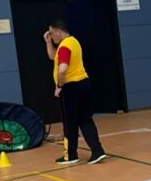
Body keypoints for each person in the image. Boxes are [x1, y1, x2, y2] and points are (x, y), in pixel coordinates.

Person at [43, 20, 107, 165]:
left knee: (69, 122)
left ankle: (70, 155)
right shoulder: (73, 42)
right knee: (85, 119)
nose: (51, 37)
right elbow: (53, 57)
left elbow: (63, 68)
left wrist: (59, 85)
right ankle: (97, 151)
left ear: (58, 31)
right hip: (84, 84)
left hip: (71, 88)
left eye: (51, 34)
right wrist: (48, 42)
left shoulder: (65, 46)